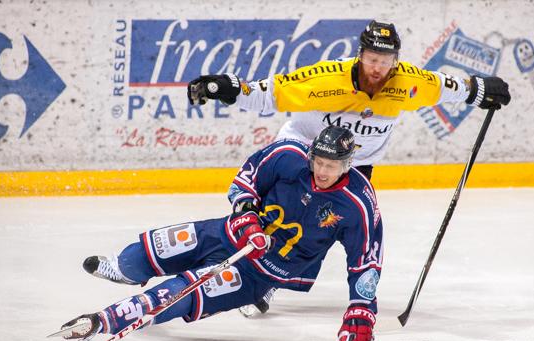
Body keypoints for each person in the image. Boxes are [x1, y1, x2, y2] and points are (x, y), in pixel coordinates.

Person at [187, 20, 511, 313]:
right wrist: (228, 89)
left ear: (395, 61)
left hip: (356, 165)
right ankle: (231, 266)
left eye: (385, 61)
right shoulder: (326, 79)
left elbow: (445, 87)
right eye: (372, 59)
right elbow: (271, 93)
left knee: (319, 230)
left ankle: (273, 279)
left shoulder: (408, 82)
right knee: (273, 216)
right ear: (360, 55)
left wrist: (480, 90)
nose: (378, 68)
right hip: (301, 155)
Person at [60, 126, 384, 341]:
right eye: (319, 162)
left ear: (347, 164)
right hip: (224, 233)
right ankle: (125, 272)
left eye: (331, 166)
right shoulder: (288, 155)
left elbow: (365, 261)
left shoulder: (358, 203)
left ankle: (105, 321)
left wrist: (361, 308)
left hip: (259, 272)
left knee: (181, 292)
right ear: (311, 155)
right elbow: (245, 183)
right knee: (135, 260)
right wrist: (247, 222)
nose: (323, 171)